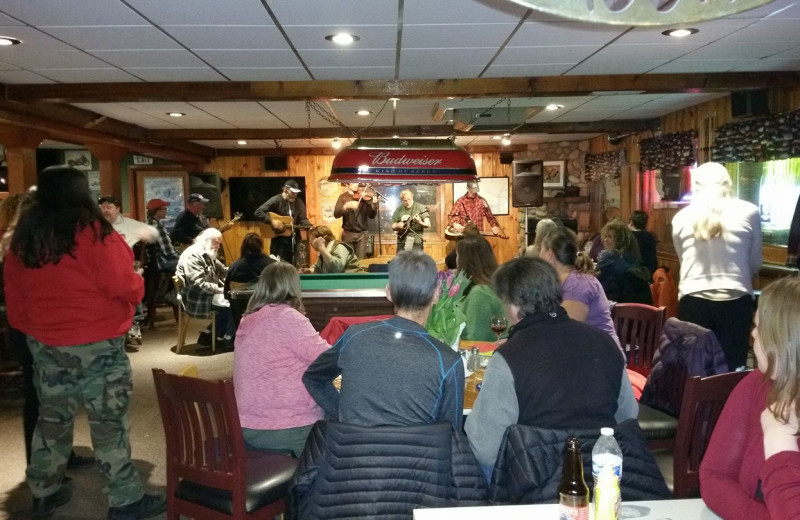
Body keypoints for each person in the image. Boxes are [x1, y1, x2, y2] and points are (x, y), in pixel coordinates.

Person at [4, 166, 165, 520]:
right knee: (108, 423)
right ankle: (124, 500)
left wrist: (33, 334)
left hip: (46, 345)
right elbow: (123, 286)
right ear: (82, 193)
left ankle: (44, 491)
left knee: (51, 420)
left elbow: (14, 297)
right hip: (97, 345)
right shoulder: (95, 233)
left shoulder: (25, 237)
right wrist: (138, 284)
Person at [465, 257, 638, 481]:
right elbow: (627, 417)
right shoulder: (604, 342)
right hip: (601, 475)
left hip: (535, 482)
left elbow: (485, 448)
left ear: (514, 305)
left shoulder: (509, 357)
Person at [303, 251, 465, 429]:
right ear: (436, 294)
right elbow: (451, 432)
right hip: (416, 455)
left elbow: (314, 378)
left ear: (389, 292)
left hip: (352, 453)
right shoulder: (449, 361)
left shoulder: (353, 336)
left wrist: (343, 414)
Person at [0, 192, 96, 475]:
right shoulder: (18, 247)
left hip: (28, 327)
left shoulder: (20, 244)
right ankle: (43, 468)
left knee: (48, 395)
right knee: (42, 396)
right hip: (30, 329)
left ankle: (55, 458)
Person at [700, 277, 800, 519]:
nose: (753, 333)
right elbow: (714, 476)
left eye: (760, 327)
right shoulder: (756, 384)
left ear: (784, 340)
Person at [672, 161, 762, 371]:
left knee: (694, 367)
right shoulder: (749, 211)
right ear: (728, 184)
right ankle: (730, 404)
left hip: (693, 301)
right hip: (735, 301)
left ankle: (696, 404)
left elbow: (682, 259)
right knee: (732, 368)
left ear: (694, 186)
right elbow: (756, 262)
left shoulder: (681, 218)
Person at [234, 262, 331, 456]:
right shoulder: (288, 318)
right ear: (295, 287)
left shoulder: (247, 320)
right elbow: (329, 359)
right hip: (284, 427)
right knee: (343, 436)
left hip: (245, 424)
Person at [538, 225, 623, 355]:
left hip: (603, 361)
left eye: (541, 249)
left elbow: (566, 334)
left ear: (550, 255)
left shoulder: (578, 285)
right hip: (586, 357)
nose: (538, 255)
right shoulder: (561, 284)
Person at [98, 195, 159, 349]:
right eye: (102, 208)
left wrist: (146, 235)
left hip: (125, 266)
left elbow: (154, 233)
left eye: (109, 207)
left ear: (118, 209)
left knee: (132, 279)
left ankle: (134, 323)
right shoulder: (96, 226)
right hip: (102, 268)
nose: (105, 211)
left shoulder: (129, 225)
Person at [176, 228, 233, 347]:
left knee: (233, 300)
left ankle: (210, 334)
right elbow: (198, 285)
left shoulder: (207, 252)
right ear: (206, 240)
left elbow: (223, 270)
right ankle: (224, 338)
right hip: (197, 299)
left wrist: (238, 271)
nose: (218, 246)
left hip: (206, 295)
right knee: (233, 303)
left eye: (219, 243)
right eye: (216, 242)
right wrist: (221, 290)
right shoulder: (193, 256)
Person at [455, 234, 506, 342]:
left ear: (465, 261)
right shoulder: (495, 285)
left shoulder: (480, 293)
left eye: (457, 256)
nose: (456, 260)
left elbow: (475, 339)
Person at [596, 218, 653, 304]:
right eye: (605, 236)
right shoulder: (632, 258)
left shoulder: (608, 260)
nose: (605, 240)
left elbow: (603, 297)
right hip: (640, 314)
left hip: (617, 314)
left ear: (620, 240)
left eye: (610, 237)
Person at [254, 180, 312, 264]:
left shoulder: (298, 202)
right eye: (293, 192)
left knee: (293, 266)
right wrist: (271, 221)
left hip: (294, 239)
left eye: (296, 193)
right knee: (277, 266)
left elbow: (302, 218)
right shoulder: (276, 200)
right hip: (278, 241)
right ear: (285, 190)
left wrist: (309, 227)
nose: (295, 195)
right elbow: (258, 212)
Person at [223, 232, 275, 300]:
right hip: (266, 308)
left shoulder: (233, 268)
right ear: (261, 246)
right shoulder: (274, 267)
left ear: (243, 247)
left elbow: (226, 295)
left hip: (240, 309)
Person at [334, 183, 377, 259]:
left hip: (362, 234)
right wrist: (345, 206)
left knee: (360, 260)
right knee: (347, 259)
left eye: (357, 182)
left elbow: (371, 215)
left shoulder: (364, 196)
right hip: (348, 233)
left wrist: (374, 205)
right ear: (347, 184)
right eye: (353, 182)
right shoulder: (343, 197)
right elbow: (336, 214)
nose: (356, 184)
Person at [145, 198, 179, 273]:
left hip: (150, 263)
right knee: (189, 263)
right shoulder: (157, 226)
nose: (166, 211)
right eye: (164, 208)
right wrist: (182, 257)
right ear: (156, 211)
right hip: (161, 263)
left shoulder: (147, 223)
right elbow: (168, 252)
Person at [391, 189, 430, 253]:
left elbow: (428, 224)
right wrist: (398, 226)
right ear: (402, 200)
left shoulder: (420, 207)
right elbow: (393, 226)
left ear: (412, 197)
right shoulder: (399, 209)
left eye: (409, 200)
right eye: (405, 200)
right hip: (402, 241)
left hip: (416, 242)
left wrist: (419, 222)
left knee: (416, 262)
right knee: (401, 261)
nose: (408, 202)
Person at [628, 210, 658, 280]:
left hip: (637, 275)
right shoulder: (650, 236)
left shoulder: (629, 237)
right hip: (651, 272)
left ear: (631, 222)